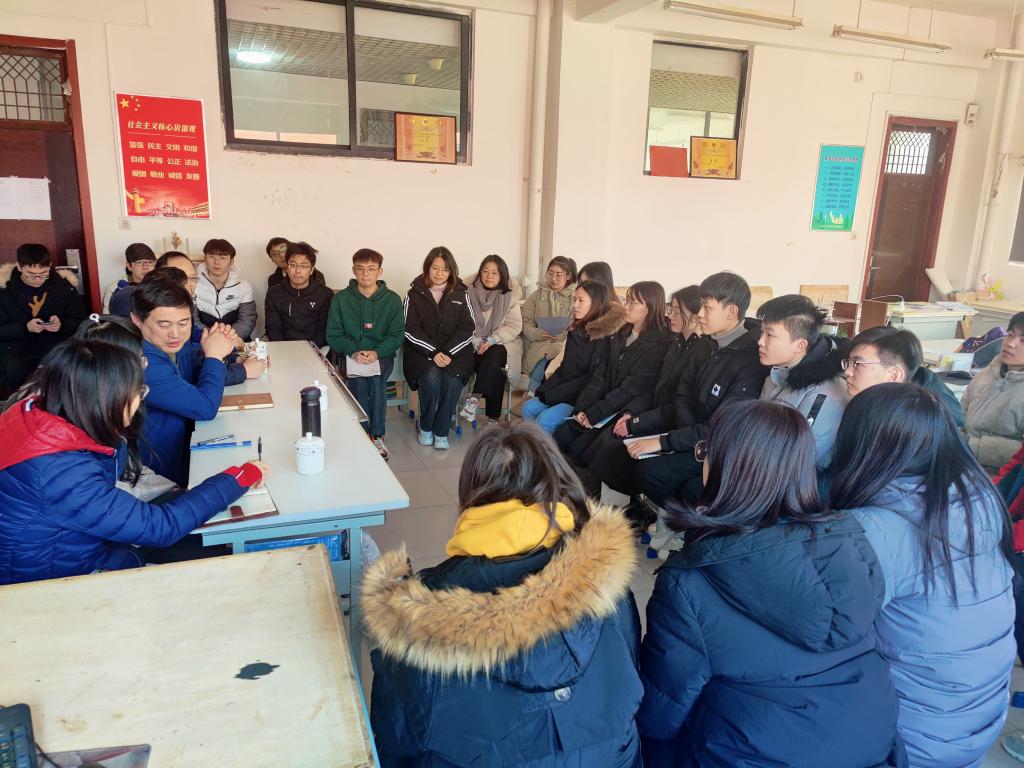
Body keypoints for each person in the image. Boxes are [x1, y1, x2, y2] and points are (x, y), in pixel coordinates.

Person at [638, 399, 903, 767]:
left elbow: (660, 715)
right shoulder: (850, 544)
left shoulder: (690, 583)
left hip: (757, 753)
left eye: (706, 451)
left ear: (727, 468)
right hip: (874, 742)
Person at [362, 420, 643, 767]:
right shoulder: (608, 582)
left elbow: (391, 745)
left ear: (472, 494)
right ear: (558, 480)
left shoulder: (418, 618)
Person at [829, 384, 1015, 767]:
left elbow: (817, 627)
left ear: (861, 444)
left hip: (911, 739)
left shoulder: (873, 530)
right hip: (977, 721)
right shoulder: (978, 498)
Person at [0, 339, 269, 585]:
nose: (140, 400)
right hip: (53, 581)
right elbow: (160, 528)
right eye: (137, 390)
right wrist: (238, 478)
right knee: (221, 559)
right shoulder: (61, 473)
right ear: (105, 398)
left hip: (68, 547)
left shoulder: (36, 415)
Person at [631, 272, 767, 508]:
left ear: (731, 311)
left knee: (653, 473)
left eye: (707, 308)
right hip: (691, 434)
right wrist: (684, 433)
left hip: (716, 446)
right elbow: (683, 393)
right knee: (635, 459)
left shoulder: (750, 361)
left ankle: (681, 520)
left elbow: (723, 426)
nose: (700, 314)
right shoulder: (706, 343)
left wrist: (667, 442)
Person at [132, 276, 264, 486]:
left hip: (185, 444)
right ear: (137, 320)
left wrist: (222, 352)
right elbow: (204, 408)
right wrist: (214, 356)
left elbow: (196, 374)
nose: (175, 333)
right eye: (164, 325)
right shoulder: (142, 362)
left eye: (183, 323)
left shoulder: (173, 343)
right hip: (158, 471)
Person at [576, 285, 702, 498]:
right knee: (601, 441)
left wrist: (636, 422)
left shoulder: (696, 351)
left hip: (673, 424)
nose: (671, 315)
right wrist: (631, 413)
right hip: (653, 412)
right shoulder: (677, 344)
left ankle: (619, 503)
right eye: (671, 308)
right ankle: (597, 499)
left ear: (696, 315)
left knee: (612, 449)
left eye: (677, 311)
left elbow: (675, 405)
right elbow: (654, 389)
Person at [554, 282, 672, 464]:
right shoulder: (620, 333)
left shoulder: (658, 345)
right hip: (601, 404)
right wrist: (582, 408)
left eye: (633, 303)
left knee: (579, 450)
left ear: (650, 307)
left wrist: (594, 413)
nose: (626, 306)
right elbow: (600, 376)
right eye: (627, 300)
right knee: (562, 434)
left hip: (621, 410)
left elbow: (630, 390)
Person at [326, 248, 405, 460]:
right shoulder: (341, 299)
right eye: (360, 269)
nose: (365, 274)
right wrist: (353, 352)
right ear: (353, 270)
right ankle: (362, 433)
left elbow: (397, 335)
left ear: (380, 271)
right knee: (359, 382)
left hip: (382, 355)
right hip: (351, 355)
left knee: (376, 380)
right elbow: (333, 334)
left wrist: (377, 353)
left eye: (371, 269)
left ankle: (377, 435)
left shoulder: (392, 299)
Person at [522, 281, 625, 434]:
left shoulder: (606, 338)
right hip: (565, 389)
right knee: (528, 408)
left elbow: (591, 380)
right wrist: (544, 392)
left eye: (580, 300)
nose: (575, 305)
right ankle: (531, 444)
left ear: (596, 303)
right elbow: (565, 367)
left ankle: (544, 449)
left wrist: (554, 395)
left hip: (583, 398)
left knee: (545, 420)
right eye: (574, 299)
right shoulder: (577, 329)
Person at [757, 294, 848, 467]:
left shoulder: (824, 393)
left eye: (770, 334)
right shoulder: (777, 372)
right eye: (762, 332)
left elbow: (799, 460)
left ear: (800, 345)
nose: (760, 342)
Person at [403, 246, 475, 451]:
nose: (439, 273)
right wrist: (434, 352)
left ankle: (441, 431)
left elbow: (468, 329)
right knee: (431, 378)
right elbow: (410, 329)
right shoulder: (413, 294)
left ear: (451, 271)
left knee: (453, 381)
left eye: (445, 269)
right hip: (422, 353)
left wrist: (448, 352)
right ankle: (426, 426)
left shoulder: (461, 294)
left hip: (456, 354)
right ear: (427, 268)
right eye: (435, 268)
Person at [0, 243, 87, 391]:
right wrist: (25, 328)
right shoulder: (4, 290)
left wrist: (62, 324)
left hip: (55, 346)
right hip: (17, 349)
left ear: (50, 266)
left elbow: (81, 322)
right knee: (17, 368)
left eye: (43, 273)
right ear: (19, 267)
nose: (38, 279)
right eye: (31, 274)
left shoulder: (64, 287)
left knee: (69, 367)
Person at [842, 326, 964, 427]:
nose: (847, 372)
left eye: (857, 364)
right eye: (849, 362)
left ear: (894, 375)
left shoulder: (907, 427)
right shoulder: (875, 407)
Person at [461, 255, 523, 421]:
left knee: (495, 354)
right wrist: (476, 341)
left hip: (500, 343)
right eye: (485, 271)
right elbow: (462, 322)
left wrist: (491, 340)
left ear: (502, 275)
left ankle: (474, 398)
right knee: (496, 368)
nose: (489, 276)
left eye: (495, 273)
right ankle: (493, 418)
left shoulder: (510, 296)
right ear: (480, 273)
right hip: (472, 344)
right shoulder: (467, 293)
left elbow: (514, 326)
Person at [962, 311, 1024, 473]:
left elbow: (1020, 454)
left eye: (1023, 340)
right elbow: (961, 415)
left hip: (998, 477)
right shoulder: (988, 373)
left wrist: (973, 446)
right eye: (1010, 335)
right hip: (963, 463)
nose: (1011, 344)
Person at [521, 256, 577, 395]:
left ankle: (535, 394)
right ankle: (536, 395)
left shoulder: (575, 297)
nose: (553, 278)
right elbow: (525, 322)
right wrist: (537, 333)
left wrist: (563, 335)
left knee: (555, 361)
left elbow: (578, 324)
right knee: (543, 361)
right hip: (540, 343)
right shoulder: (536, 296)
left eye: (559, 275)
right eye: (550, 273)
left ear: (568, 276)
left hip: (565, 344)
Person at [263, 242, 333, 347]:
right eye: (293, 265)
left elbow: (323, 331)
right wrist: (286, 349)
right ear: (287, 267)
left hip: (316, 349)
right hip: (283, 348)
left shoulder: (325, 294)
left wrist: (309, 349)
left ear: (311, 270)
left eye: (304, 266)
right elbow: (273, 328)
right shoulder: (274, 293)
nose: (298, 271)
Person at [194, 238, 257, 341]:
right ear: (205, 259)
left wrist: (227, 339)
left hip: (235, 339)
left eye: (223, 258)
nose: (216, 262)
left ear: (231, 261)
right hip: (202, 340)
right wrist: (211, 339)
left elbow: (247, 320)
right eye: (212, 257)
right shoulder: (193, 285)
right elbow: (192, 320)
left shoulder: (244, 287)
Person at [108, 250, 200, 317]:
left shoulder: (187, 303)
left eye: (192, 278)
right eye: (180, 277)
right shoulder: (135, 302)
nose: (189, 285)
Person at [101, 243, 156, 312]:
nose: (146, 267)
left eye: (150, 262)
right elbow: (108, 317)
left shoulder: (159, 285)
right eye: (139, 262)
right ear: (129, 266)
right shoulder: (114, 288)